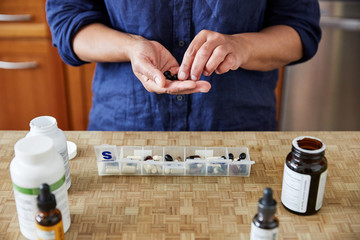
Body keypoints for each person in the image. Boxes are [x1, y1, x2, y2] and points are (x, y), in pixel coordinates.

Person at [46, 1, 321, 131]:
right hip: (125, 131)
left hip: (239, 132)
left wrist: (243, 46)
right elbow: (67, 22)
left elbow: (301, 30)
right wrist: (130, 46)